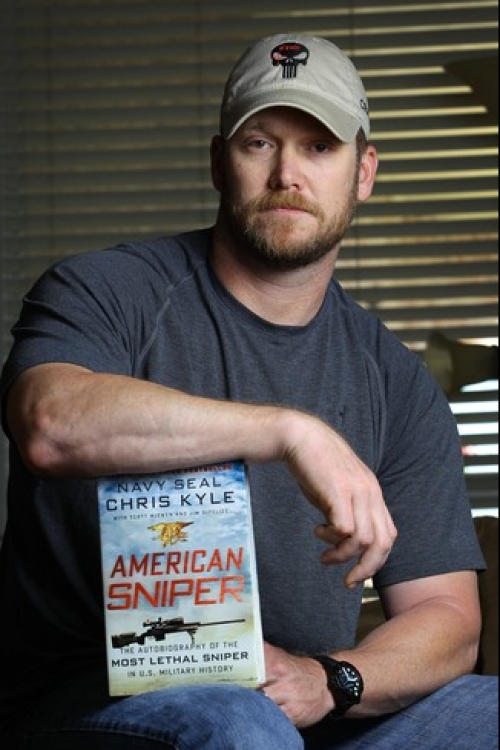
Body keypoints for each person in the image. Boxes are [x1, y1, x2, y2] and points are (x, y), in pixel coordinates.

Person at [0, 32, 497, 750]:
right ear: (218, 162)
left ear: (364, 172)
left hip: (297, 702)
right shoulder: (105, 290)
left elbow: (447, 615)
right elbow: (49, 423)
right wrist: (289, 431)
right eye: (259, 143)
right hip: (98, 699)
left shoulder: (395, 378)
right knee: (239, 723)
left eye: (320, 147)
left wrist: (331, 680)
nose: (287, 174)